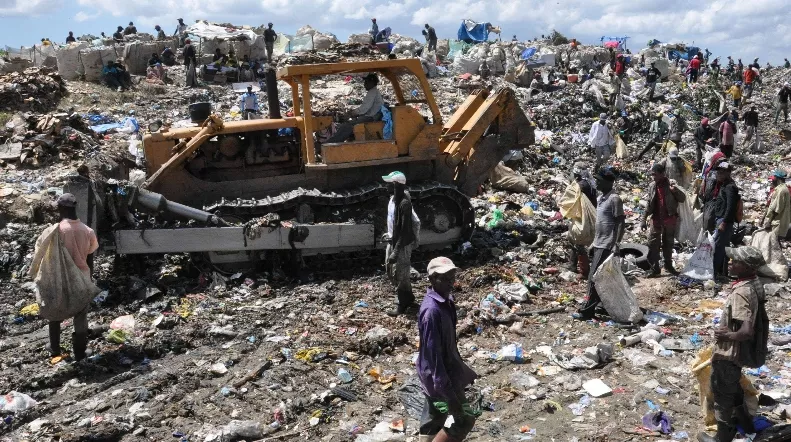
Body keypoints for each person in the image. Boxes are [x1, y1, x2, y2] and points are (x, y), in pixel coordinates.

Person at [697, 246, 768, 442]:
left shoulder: (741, 293)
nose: (730, 263)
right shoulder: (754, 283)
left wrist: (727, 334)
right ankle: (746, 423)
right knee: (732, 387)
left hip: (729, 353)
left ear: (746, 267)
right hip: (738, 354)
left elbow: (746, 331)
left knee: (721, 392)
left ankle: (722, 437)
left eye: (735, 261)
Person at [417, 256, 478, 441]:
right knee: (462, 419)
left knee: (435, 420)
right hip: (439, 377)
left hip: (445, 372)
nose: (450, 283)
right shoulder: (432, 312)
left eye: (452, 278)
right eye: (444, 279)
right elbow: (433, 356)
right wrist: (447, 393)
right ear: (432, 279)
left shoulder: (446, 301)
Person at [35, 193, 99, 361]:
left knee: (55, 310)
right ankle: (80, 353)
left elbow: (44, 255)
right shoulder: (88, 231)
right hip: (81, 277)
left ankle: (54, 348)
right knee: (80, 316)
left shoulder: (56, 231)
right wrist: (88, 280)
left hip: (60, 279)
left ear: (61, 208)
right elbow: (90, 258)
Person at [574, 168, 624, 320]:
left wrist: (616, 243)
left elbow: (621, 222)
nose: (596, 183)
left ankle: (587, 311)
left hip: (607, 244)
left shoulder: (614, 199)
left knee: (593, 277)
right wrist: (592, 243)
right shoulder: (602, 197)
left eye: (599, 180)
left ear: (608, 182)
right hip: (599, 242)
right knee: (602, 277)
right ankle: (602, 306)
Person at [382, 171, 421, 317]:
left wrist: (396, 251)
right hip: (394, 240)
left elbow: (405, 231)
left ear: (397, 185)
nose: (386, 186)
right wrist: (389, 234)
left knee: (401, 274)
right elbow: (393, 223)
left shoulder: (404, 204)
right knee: (390, 270)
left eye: (389, 183)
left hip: (402, 244)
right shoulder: (392, 200)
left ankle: (402, 304)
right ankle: (409, 297)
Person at [641, 163, 686, 276]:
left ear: (662, 174)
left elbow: (682, 198)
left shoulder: (671, 184)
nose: (654, 177)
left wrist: (675, 191)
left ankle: (668, 265)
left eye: (655, 175)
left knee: (668, 244)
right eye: (652, 175)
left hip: (669, 219)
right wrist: (643, 219)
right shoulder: (652, 186)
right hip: (656, 219)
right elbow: (649, 203)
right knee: (652, 244)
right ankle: (655, 268)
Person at [704, 162, 739, 280]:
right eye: (718, 171)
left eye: (722, 172)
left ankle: (713, 274)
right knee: (721, 247)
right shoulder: (723, 185)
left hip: (724, 221)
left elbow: (731, 207)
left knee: (718, 247)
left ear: (728, 173)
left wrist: (724, 222)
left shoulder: (730, 187)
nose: (719, 173)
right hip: (721, 219)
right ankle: (721, 273)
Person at [326, 73, 383, 143]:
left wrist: (352, 113)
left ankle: (331, 143)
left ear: (371, 82)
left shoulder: (372, 92)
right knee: (347, 124)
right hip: (372, 116)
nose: (364, 84)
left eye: (366, 82)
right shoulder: (374, 92)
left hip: (371, 117)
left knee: (347, 126)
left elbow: (364, 109)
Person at [567, 165, 597, 276]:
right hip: (590, 215)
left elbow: (571, 200)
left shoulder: (580, 186)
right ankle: (572, 265)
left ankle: (585, 271)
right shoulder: (590, 183)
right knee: (574, 240)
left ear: (576, 175)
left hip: (582, 216)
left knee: (578, 241)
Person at [763, 170, 790, 238]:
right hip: (778, 221)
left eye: (774, 177)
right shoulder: (781, 189)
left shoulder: (781, 190)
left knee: (773, 241)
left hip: (777, 222)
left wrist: (769, 222)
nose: (773, 179)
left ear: (777, 178)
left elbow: (777, 209)